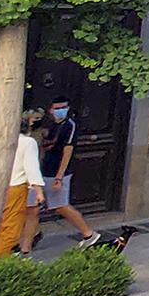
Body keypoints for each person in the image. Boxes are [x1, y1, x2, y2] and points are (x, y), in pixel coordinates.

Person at [39, 96, 100, 246]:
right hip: (45, 169)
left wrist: (59, 177)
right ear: (50, 110)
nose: (60, 111)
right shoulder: (50, 125)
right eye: (57, 108)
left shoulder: (69, 125)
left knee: (60, 206)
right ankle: (32, 236)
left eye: (63, 108)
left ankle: (88, 234)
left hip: (58, 172)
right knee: (34, 207)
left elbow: (67, 151)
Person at [0, 110, 47, 258]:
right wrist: (39, 192)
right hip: (15, 187)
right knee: (11, 229)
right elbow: (31, 167)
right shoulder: (28, 142)